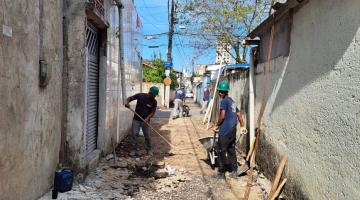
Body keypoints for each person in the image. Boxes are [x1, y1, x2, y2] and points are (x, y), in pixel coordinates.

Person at [214, 80, 247, 179]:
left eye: (219, 91)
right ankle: (234, 172)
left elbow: (222, 116)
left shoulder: (224, 101)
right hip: (233, 130)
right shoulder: (232, 101)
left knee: (221, 150)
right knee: (231, 150)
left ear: (220, 92)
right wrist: (242, 126)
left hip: (225, 130)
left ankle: (221, 173)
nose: (219, 93)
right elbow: (239, 115)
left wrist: (217, 125)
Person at [125, 86, 159, 156]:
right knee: (135, 134)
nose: (154, 97)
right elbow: (129, 98)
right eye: (153, 95)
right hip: (136, 119)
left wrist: (147, 118)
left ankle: (149, 149)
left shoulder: (154, 102)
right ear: (149, 93)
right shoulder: (141, 96)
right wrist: (127, 103)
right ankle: (134, 150)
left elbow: (152, 112)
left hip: (146, 121)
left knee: (147, 135)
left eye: (155, 95)